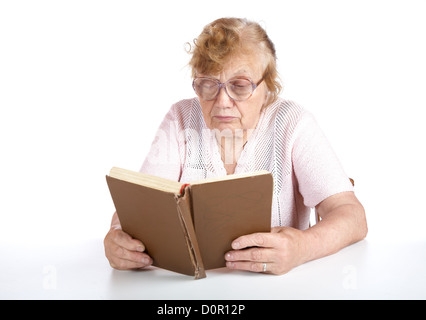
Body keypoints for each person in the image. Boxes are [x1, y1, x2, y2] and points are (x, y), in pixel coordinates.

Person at [104, 18, 367, 275]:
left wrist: (301, 247)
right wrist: (117, 235)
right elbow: (140, 205)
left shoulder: (292, 122)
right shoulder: (181, 117)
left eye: (239, 86)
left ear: (268, 88)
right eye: (207, 84)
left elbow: (353, 217)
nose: (222, 102)